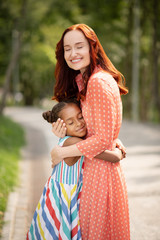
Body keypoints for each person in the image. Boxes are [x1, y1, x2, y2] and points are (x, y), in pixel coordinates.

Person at [50, 23, 130, 240]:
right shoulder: (86, 80)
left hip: (100, 175)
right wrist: (66, 137)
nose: (73, 53)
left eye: (79, 46)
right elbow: (101, 130)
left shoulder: (97, 82)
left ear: (92, 48)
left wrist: (62, 152)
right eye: (67, 49)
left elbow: (103, 138)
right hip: (97, 169)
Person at [26, 99, 124, 240]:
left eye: (80, 117)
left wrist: (115, 141)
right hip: (63, 199)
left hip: (63, 193)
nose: (79, 123)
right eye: (71, 122)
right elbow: (113, 157)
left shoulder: (74, 139)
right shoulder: (73, 142)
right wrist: (119, 150)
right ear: (62, 127)